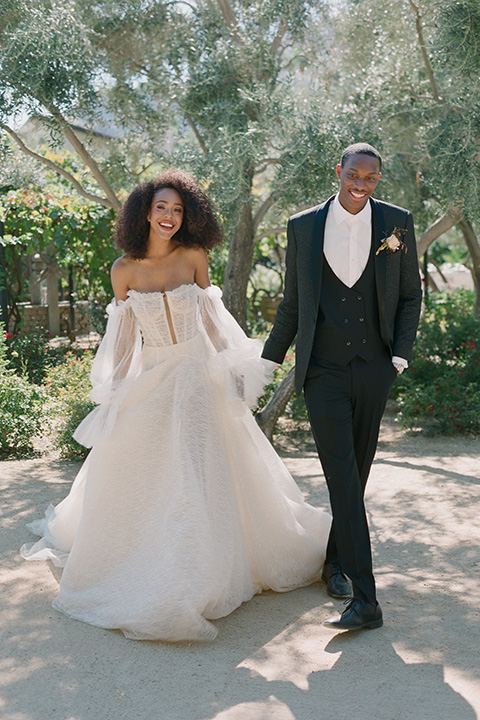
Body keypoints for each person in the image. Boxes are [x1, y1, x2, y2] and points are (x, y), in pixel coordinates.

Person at [21, 169, 331, 642]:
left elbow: (212, 321)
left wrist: (233, 373)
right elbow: (123, 338)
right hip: (153, 382)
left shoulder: (193, 256)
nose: (169, 216)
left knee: (202, 469)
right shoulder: (123, 269)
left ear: (188, 216)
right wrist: (114, 392)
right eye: (161, 207)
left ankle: (211, 566)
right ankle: (164, 567)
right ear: (144, 211)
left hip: (199, 379)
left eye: (177, 209)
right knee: (157, 474)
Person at [262, 143, 422, 630]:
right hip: (323, 371)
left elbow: (411, 295)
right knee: (341, 476)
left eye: (370, 178)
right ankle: (367, 600)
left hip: (375, 367)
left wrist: (397, 357)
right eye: (353, 175)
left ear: (378, 179)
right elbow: (293, 303)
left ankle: (334, 564)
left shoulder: (397, 222)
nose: (360, 184)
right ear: (339, 172)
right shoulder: (303, 226)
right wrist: (267, 362)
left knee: (357, 473)